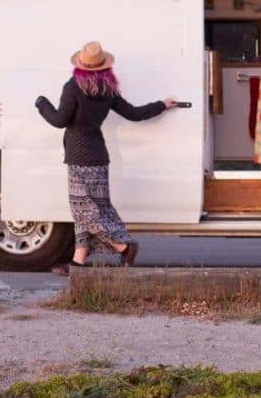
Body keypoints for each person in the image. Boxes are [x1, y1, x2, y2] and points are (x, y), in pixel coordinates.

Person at [35, 41, 175, 274]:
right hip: (99, 157)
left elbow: (59, 120)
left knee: (82, 210)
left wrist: (42, 104)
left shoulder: (73, 88)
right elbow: (134, 113)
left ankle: (123, 247)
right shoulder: (108, 90)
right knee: (97, 208)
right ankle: (78, 262)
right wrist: (161, 105)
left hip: (79, 157)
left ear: (80, 65)